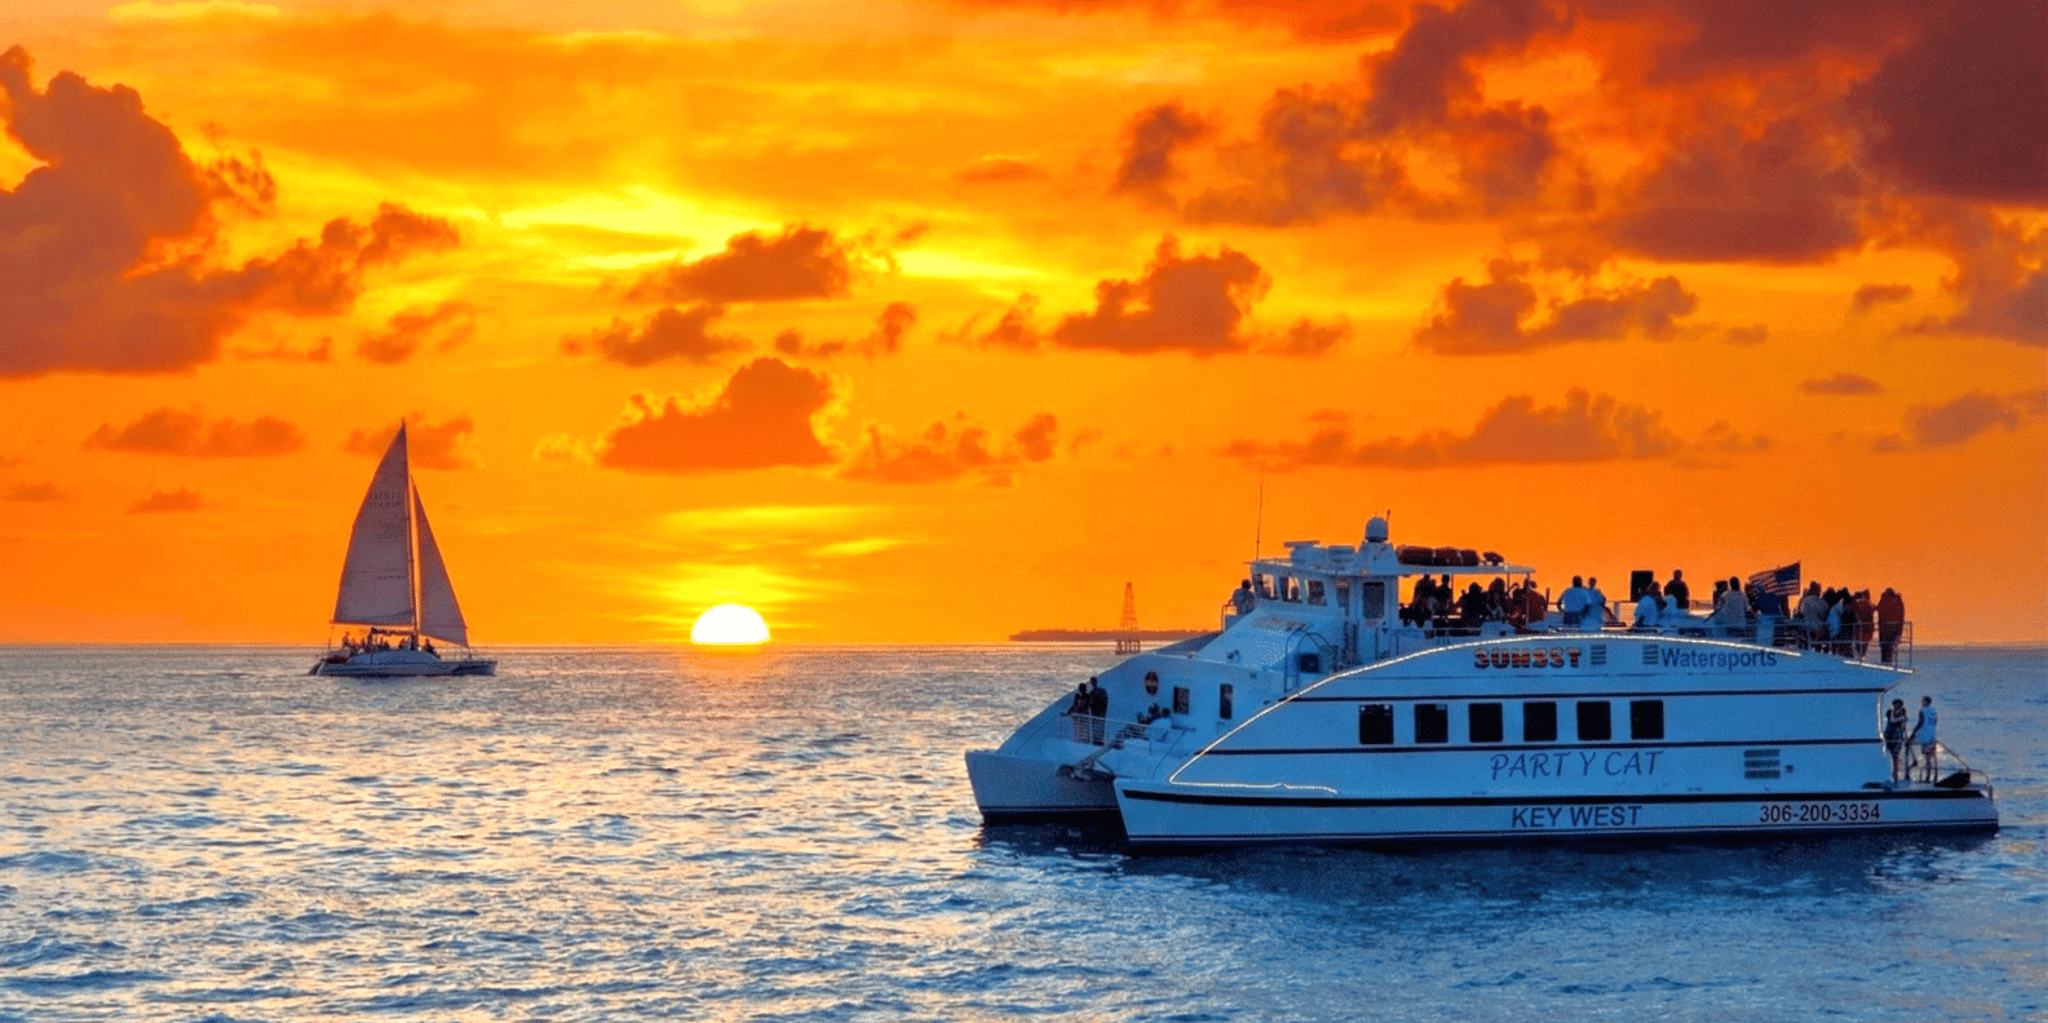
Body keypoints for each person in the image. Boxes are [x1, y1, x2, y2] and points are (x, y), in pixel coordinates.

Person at [1907, 695, 1938, 783]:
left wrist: (1913, 735)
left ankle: (1927, 777)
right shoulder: (1934, 710)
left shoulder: (1922, 710)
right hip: (1932, 735)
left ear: (1926, 702)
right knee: (1932, 756)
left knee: (1927, 757)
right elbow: (1935, 722)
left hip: (1925, 735)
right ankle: (1934, 776)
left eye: (1923, 701)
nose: (1921, 702)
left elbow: (1920, 723)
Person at [1883, 698, 1910, 784]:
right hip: (1889, 735)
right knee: (1891, 755)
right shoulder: (1890, 712)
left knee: (1895, 756)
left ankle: (1895, 777)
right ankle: (1893, 776)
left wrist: (1904, 735)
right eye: (1895, 705)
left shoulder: (1903, 713)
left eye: (1898, 705)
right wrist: (1902, 718)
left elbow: (1903, 726)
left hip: (1897, 735)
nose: (1896, 706)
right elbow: (1892, 720)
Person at [1877, 587, 1906, 663]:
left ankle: (1886, 663)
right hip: (1893, 630)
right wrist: (1899, 631)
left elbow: (1880, 610)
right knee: (1889, 648)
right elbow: (1901, 616)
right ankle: (1888, 663)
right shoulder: (1897, 602)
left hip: (1884, 630)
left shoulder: (1884, 601)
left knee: (1885, 648)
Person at [1087, 676, 1109, 745]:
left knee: (1096, 727)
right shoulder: (1102, 691)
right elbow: (1106, 701)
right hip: (1101, 713)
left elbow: (1090, 703)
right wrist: (1104, 710)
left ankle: (1096, 741)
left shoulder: (1092, 693)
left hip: (1096, 713)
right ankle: (1099, 741)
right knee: (1100, 727)